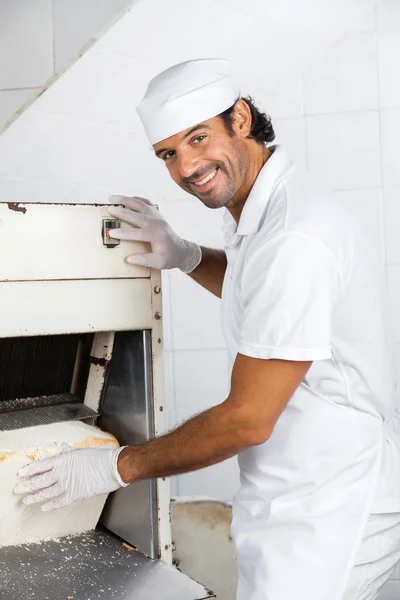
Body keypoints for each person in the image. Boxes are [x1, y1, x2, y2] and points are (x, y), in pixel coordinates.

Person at [15, 58, 400, 600]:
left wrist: (115, 467)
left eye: (199, 138)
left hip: (331, 505)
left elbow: (245, 420)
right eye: (169, 153)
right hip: (298, 492)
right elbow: (266, 303)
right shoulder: (267, 212)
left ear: (240, 119)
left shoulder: (295, 239)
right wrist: (188, 255)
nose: (188, 166)